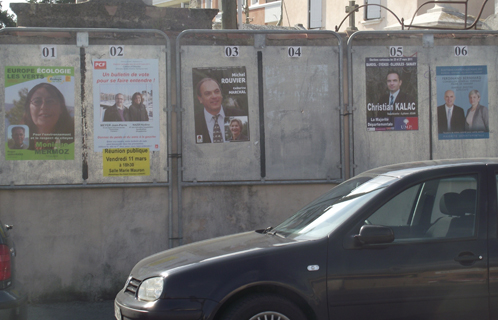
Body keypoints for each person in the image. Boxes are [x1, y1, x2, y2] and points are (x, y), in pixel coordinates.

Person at [22, 83, 74, 150]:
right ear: (28, 108)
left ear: (61, 108)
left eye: (50, 101)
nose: (44, 107)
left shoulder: (75, 141)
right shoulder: (20, 144)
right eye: (37, 101)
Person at [194, 78, 244, 143]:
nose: (214, 96)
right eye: (208, 93)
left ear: (221, 94)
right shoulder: (194, 122)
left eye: (217, 91)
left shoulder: (239, 114)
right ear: (200, 98)